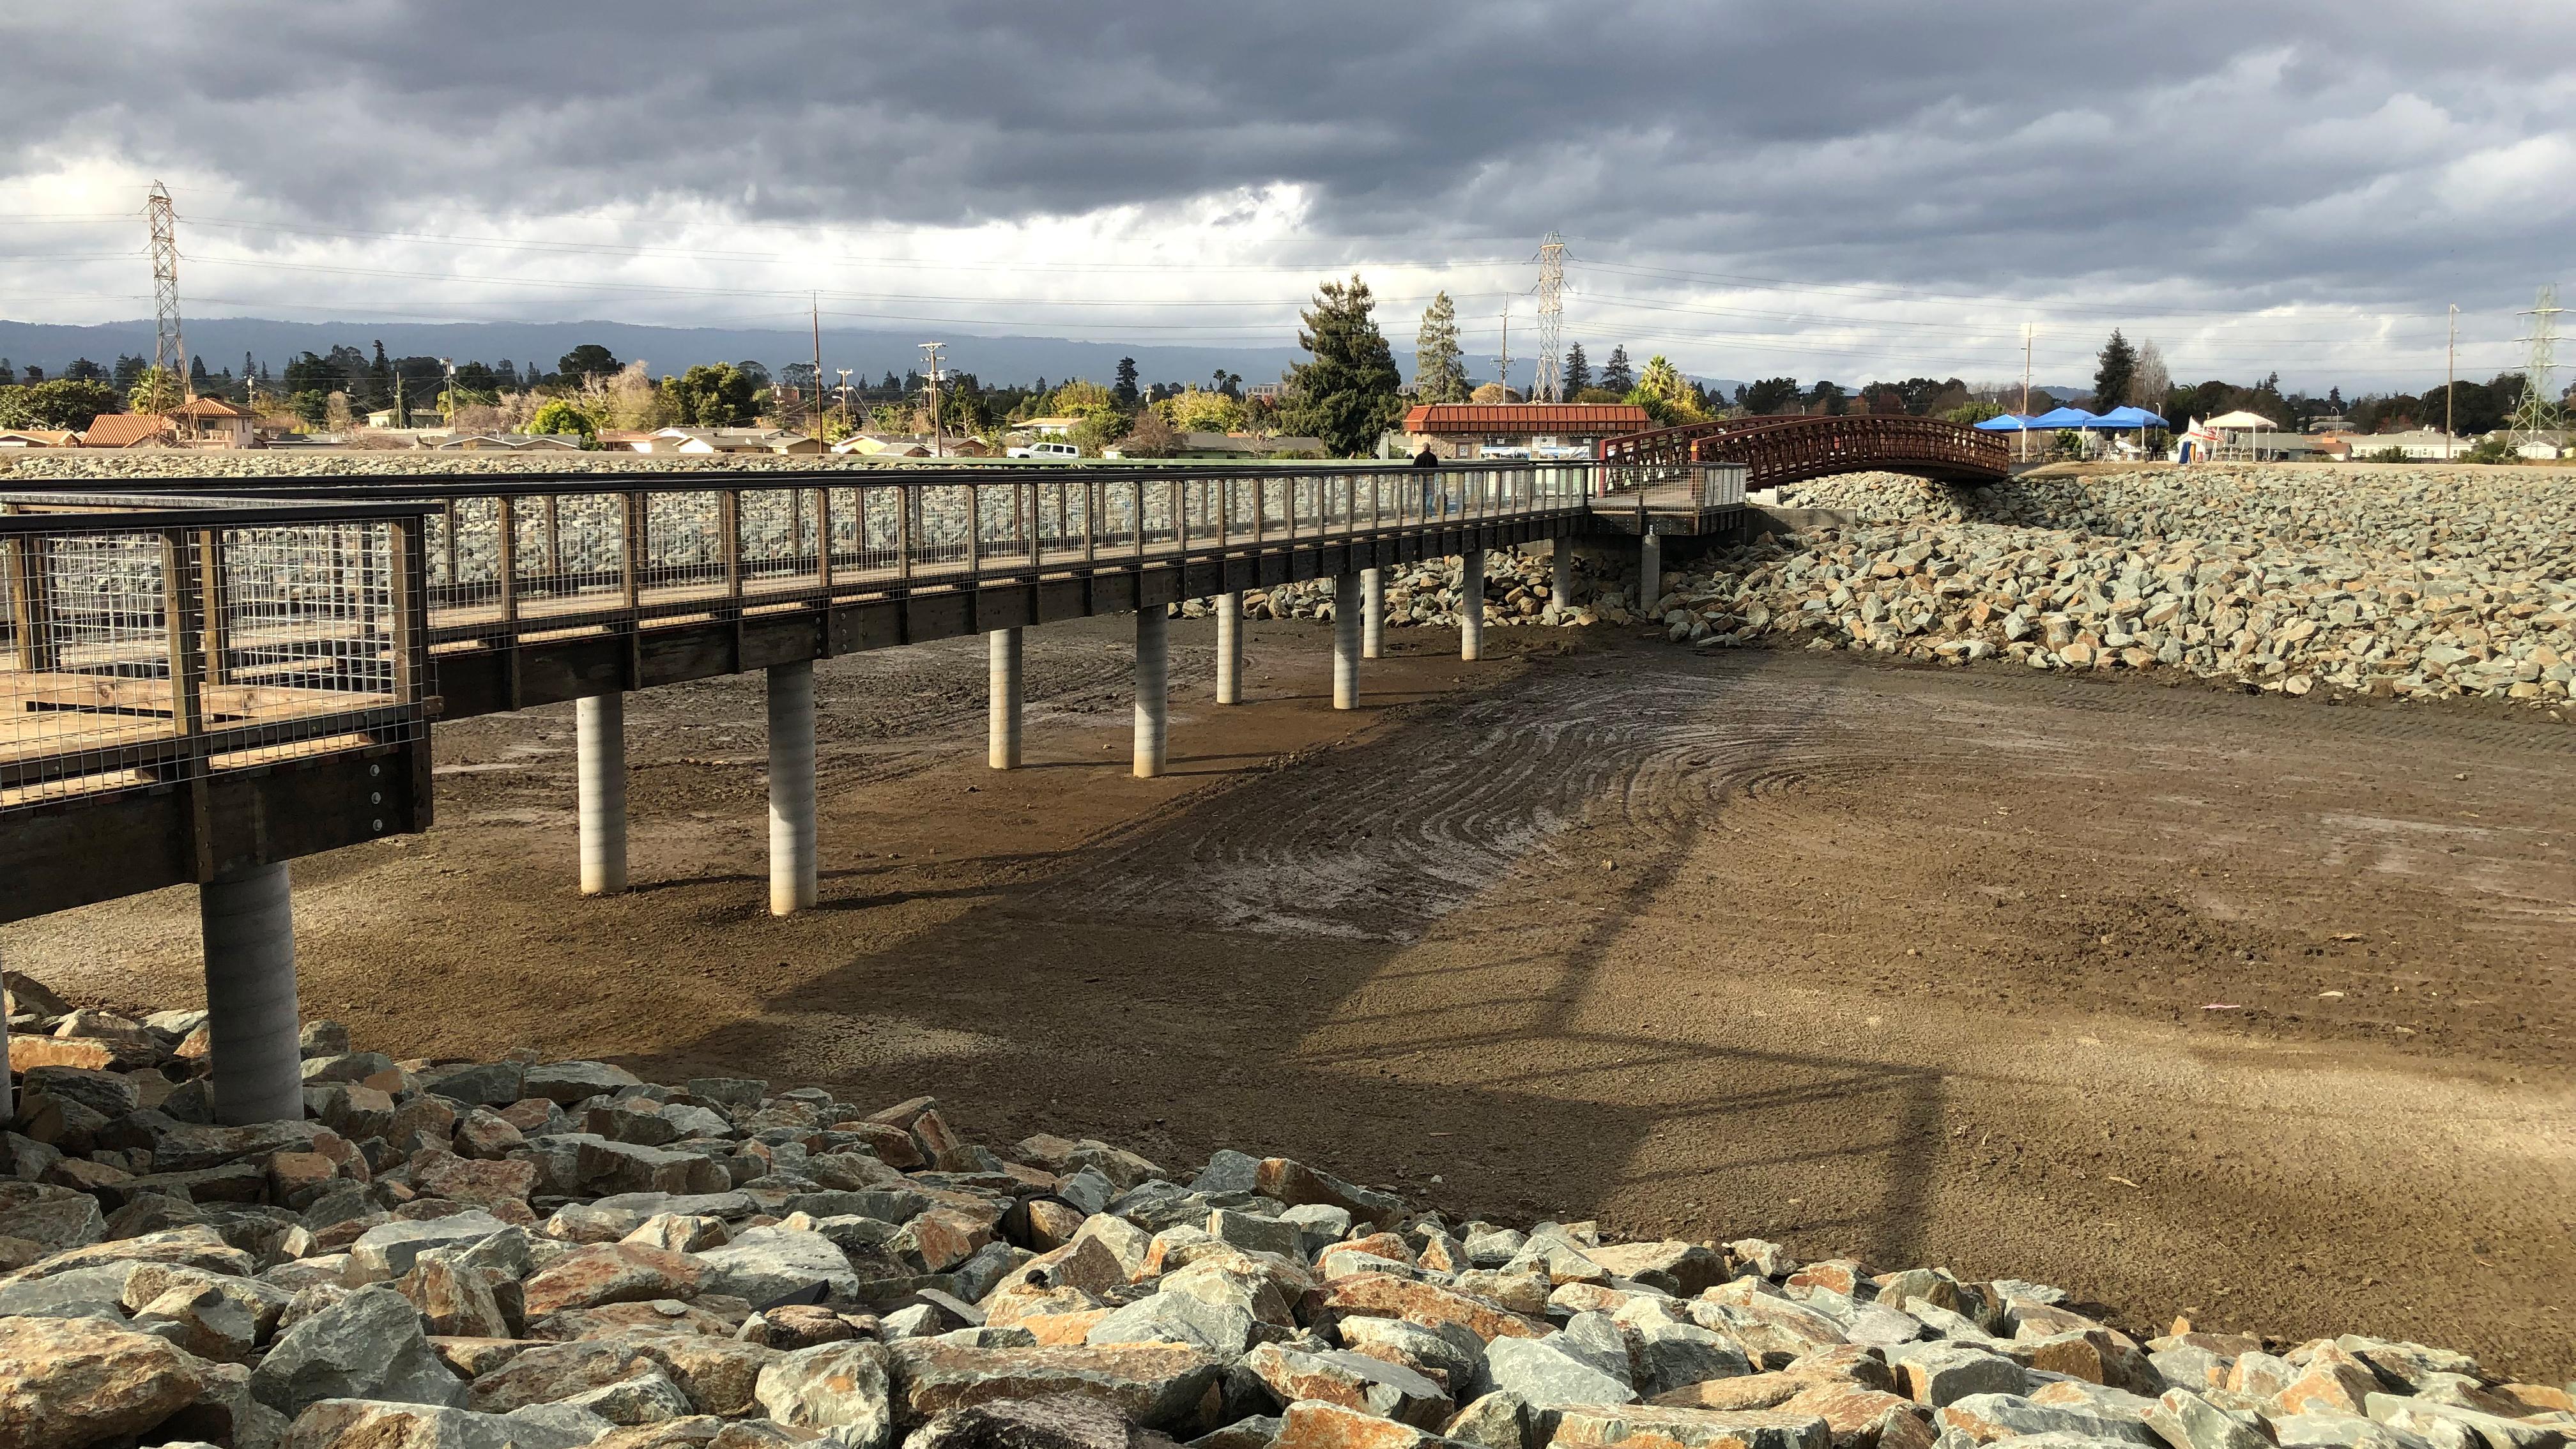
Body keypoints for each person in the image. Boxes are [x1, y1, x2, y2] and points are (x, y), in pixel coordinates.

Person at [1413, 443, 1439, 516]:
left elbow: (1414, 467)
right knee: (1430, 494)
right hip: (1431, 477)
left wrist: (1414, 477)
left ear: (1423, 448)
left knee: (1422, 493)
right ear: (1429, 448)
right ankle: (1429, 510)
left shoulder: (1419, 457)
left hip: (1421, 478)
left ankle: (1422, 510)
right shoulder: (1433, 457)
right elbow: (1436, 467)